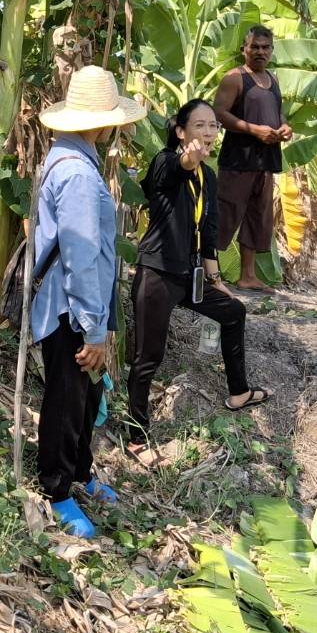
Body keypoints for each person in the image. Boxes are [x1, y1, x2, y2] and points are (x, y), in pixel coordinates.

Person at [30, 65, 145, 538]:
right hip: (71, 308)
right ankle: (56, 490)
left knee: (86, 394)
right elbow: (79, 254)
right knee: (66, 398)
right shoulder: (77, 173)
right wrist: (93, 328)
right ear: (103, 121)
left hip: (78, 303)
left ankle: (80, 473)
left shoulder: (71, 159)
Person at [125, 100, 269, 458]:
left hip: (189, 276)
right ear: (180, 132)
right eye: (200, 126)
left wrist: (215, 278)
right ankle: (136, 434)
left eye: (213, 127)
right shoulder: (164, 161)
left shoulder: (209, 175)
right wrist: (187, 159)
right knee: (148, 357)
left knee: (234, 311)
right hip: (157, 273)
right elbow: (177, 166)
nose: (208, 133)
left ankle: (239, 393)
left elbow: (209, 229)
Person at [213, 25, 293, 292]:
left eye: (265, 47)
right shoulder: (235, 78)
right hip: (238, 159)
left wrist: (285, 127)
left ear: (271, 50)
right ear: (244, 49)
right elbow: (220, 113)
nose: (260, 51)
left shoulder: (273, 79)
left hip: (266, 161)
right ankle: (205, 272)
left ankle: (247, 275)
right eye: (255, 47)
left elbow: (277, 113)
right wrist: (252, 129)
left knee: (257, 218)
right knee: (225, 215)